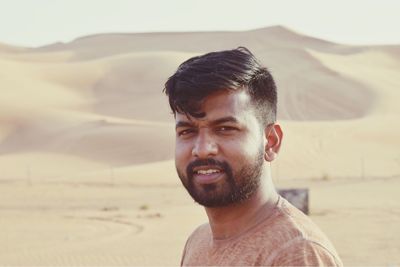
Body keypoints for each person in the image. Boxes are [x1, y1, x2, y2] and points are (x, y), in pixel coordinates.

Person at [163, 47, 343, 266]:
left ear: (271, 142)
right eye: (187, 131)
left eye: (225, 128)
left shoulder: (297, 252)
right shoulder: (198, 241)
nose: (202, 149)